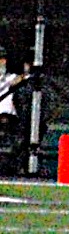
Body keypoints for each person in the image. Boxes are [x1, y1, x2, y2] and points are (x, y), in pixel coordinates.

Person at [0, 46, 27, 176]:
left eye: (3, 59)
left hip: (9, 119)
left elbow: (24, 77)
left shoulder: (11, 78)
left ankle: (17, 167)